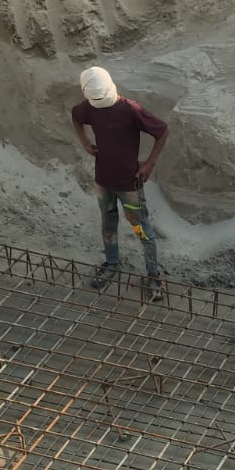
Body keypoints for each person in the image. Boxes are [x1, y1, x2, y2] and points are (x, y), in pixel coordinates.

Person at [69, 66, 169, 300]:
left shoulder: (131, 110)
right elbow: (76, 115)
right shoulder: (89, 107)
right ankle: (112, 263)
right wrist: (85, 141)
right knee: (108, 224)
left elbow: (162, 131)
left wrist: (149, 164)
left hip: (128, 184)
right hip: (103, 181)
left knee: (141, 229)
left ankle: (153, 275)